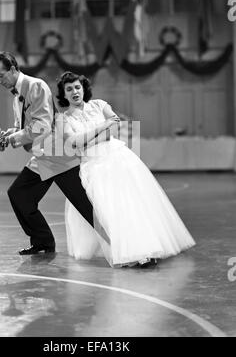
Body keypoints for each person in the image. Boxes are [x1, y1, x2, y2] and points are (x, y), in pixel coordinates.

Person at [55, 71, 195, 268]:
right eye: (69, 89)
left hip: (118, 160)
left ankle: (145, 249)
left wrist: (91, 137)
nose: (74, 92)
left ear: (83, 88)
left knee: (131, 207)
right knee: (109, 212)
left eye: (77, 87)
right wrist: (102, 127)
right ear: (64, 94)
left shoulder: (100, 105)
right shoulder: (62, 119)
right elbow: (73, 142)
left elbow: (112, 131)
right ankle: (127, 252)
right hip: (92, 167)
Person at [0, 52, 95, 255]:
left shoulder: (35, 86)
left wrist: (11, 139)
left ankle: (132, 248)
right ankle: (43, 241)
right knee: (19, 195)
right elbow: (24, 126)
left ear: (13, 69)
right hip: (44, 156)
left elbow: (42, 126)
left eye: (1, 75)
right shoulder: (17, 94)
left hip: (60, 156)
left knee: (87, 207)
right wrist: (5, 135)